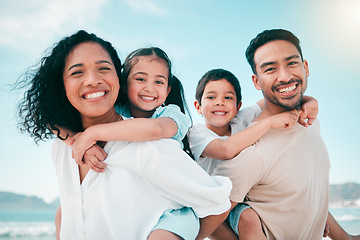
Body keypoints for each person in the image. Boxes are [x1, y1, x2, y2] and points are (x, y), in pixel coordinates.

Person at [16, 30, 232, 240]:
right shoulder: (61, 147)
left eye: (103, 68)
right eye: (77, 72)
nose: (92, 80)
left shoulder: (150, 145)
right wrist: (77, 138)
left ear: (116, 81)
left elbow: (217, 203)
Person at [209, 29, 355, 239]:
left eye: (292, 63)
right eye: (270, 69)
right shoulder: (252, 150)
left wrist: (345, 237)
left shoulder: (309, 121)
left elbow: (302, 194)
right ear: (257, 81)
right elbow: (207, 216)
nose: (285, 76)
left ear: (305, 68)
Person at [55, 46, 202, 240]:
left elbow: (154, 130)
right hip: (136, 198)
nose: (149, 87)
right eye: (140, 79)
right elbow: (53, 120)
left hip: (171, 208)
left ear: (167, 91)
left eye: (158, 81)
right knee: (63, 212)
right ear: (123, 84)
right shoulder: (114, 108)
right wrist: (77, 142)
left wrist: (91, 134)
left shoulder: (172, 115)